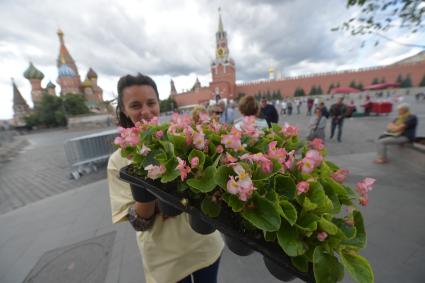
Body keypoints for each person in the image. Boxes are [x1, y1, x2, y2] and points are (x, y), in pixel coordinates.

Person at [107, 73, 224, 283]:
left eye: (151, 103)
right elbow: (139, 223)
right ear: (124, 110)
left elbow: (205, 185)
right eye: (135, 105)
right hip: (165, 259)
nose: (145, 111)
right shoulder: (119, 160)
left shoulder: (181, 137)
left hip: (203, 244)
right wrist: (152, 192)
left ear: (159, 103)